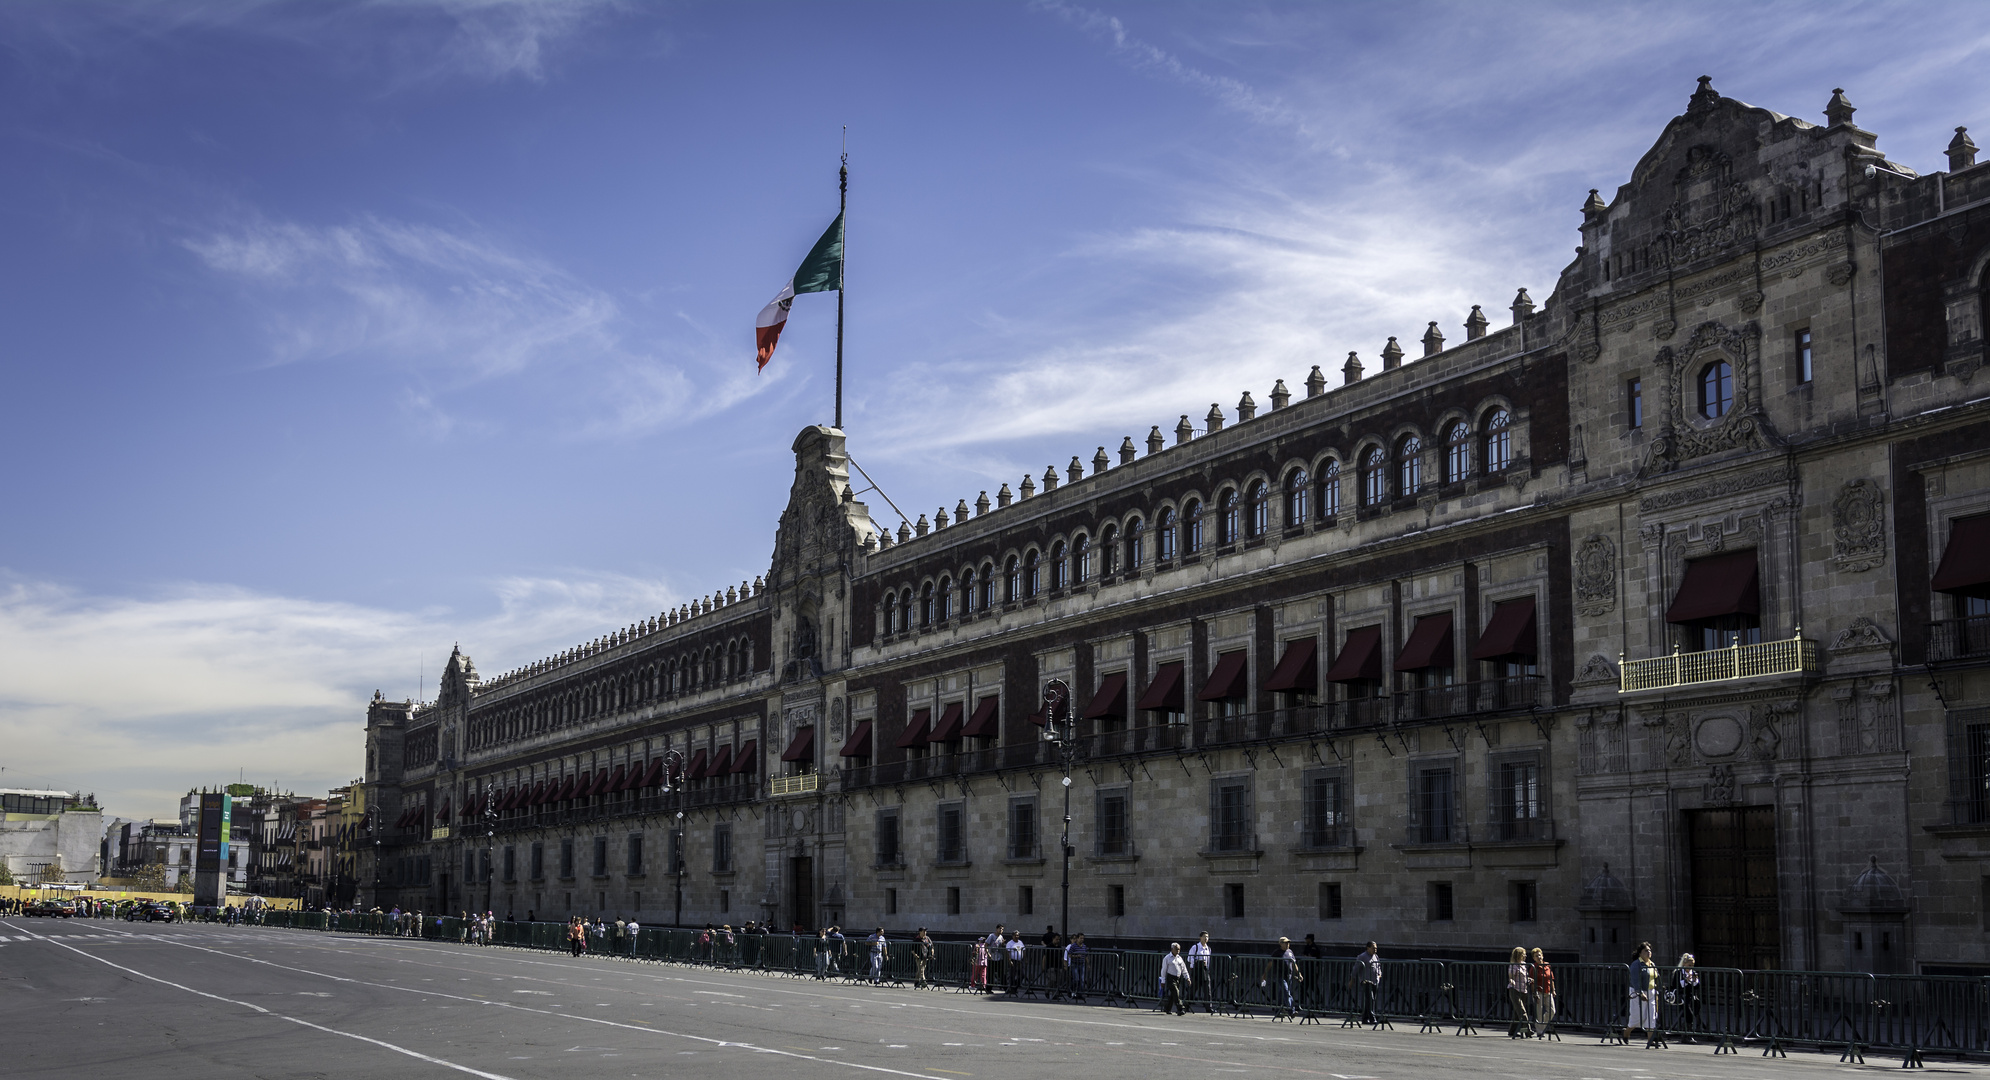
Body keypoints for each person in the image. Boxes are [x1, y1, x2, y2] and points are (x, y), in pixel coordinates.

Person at [1625, 941, 1659, 1041]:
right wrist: (1640, 993)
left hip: (1651, 992)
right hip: (1639, 993)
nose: (1648, 952)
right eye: (1646, 951)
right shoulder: (1636, 964)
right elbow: (1635, 980)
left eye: (1649, 950)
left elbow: (1655, 977)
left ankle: (1650, 1040)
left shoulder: (1652, 963)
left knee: (1651, 1016)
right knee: (1637, 1016)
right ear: (1640, 953)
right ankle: (1627, 1032)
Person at [1264, 936, 1302, 1015]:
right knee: (1286, 992)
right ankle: (1292, 1011)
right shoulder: (1277, 952)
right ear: (1281, 944)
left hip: (1289, 975)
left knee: (1282, 993)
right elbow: (1270, 963)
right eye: (1286, 943)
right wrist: (1265, 974)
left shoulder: (1290, 952)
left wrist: (1299, 974)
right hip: (1280, 975)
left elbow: (1294, 964)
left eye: (1288, 942)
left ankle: (1278, 1010)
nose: (1288, 944)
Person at [1668, 953, 1701, 1041]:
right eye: (1689, 965)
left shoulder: (1693, 973)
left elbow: (1696, 986)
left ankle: (1688, 1032)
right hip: (1681, 995)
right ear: (1684, 964)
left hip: (1690, 995)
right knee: (1688, 1013)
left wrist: (1694, 980)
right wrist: (1686, 981)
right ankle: (1687, 1034)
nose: (1691, 967)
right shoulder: (1678, 972)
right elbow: (1676, 985)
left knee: (1695, 1008)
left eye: (1692, 965)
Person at [1528, 947, 1556, 1037]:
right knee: (1539, 1012)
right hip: (1538, 992)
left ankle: (1542, 1025)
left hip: (1548, 991)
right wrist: (1534, 993)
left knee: (1552, 1011)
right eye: (1536, 956)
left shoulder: (1547, 966)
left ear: (1542, 956)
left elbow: (1551, 979)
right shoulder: (1533, 967)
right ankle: (1539, 1031)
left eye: (1539, 955)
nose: (1539, 957)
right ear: (1534, 958)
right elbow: (1531, 981)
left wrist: (1553, 990)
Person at [1505, 946, 1533, 1038]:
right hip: (1515, 990)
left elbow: (1524, 977)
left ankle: (1512, 1031)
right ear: (1518, 955)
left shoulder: (1524, 964)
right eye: (1523, 954)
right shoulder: (1513, 965)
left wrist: (1529, 979)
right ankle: (1528, 1030)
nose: (1525, 955)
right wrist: (1511, 980)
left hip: (1523, 990)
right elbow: (1511, 976)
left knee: (1517, 1013)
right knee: (1522, 1011)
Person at [1351, 941, 1382, 1024]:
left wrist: (1379, 974)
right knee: (1370, 999)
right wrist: (1352, 979)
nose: (1375, 950)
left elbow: (1378, 966)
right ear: (1368, 948)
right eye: (1373, 948)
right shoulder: (1362, 956)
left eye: (1376, 948)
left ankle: (1365, 1018)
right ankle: (1372, 1017)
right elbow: (1356, 968)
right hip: (1366, 981)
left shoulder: (1376, 956)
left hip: (1375, 981)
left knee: (1371, 1000)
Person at [1161, 942, 1192, 1016]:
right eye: (1176, 949)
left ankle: (1167, 1008)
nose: (1178, 951)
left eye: (1179, 949)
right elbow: (1164, 970)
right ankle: (1180, 1008)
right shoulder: (1167, 958)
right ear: (1172, 949)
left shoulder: (1179, 958)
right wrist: (1163, 980)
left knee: (1173, 995)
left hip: (1178, 978)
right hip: (1170, 978)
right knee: (1176, 992)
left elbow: (1184, 969)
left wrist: (1187, 978)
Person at [1187, 932, 1215, 1013]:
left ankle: (1208, 1007)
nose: (1206, 938)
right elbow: (1190, 958)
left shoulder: (1208, 949)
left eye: (1207, 937)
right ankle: (1186, 1005)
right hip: (1197, 970)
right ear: (1200, 937)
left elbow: (1208, 960)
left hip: (1205, 970)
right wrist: (1196, 963)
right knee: (1193, 989)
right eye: (1204, 936)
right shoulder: (1195, 947)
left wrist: (1207, 968)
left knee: (1207, 989)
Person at [1065, 933, 1089, 1000]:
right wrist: (1076, 956)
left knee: (1082, 980)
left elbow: (1086, 955)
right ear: (1077, 939)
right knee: (1076, 979)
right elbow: (1069, 955)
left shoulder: (1084, 946)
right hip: (1075, 964)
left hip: (1082, 964)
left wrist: (1088, 964)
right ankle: (1070, 988)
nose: (1082, 940)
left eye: (1083, 938)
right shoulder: (1073, 946)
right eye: (1080, 938)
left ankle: (1079, 993)